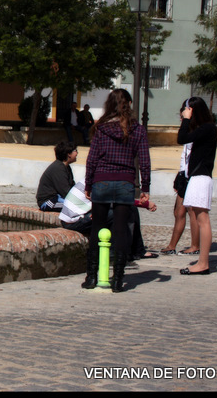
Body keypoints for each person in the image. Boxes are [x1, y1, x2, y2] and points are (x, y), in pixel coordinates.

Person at [82, 89, 150, 293]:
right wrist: (145, 187)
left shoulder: (101, 128)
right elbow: (144, 161)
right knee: (121, 230)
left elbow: (92, 159)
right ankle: (118, 279)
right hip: (125, 182)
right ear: (128, 104)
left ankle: (92, 276)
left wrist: (88, 184)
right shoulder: (137, 129)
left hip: (101, 181)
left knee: (97, 228)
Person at [177, 96, 217, 276]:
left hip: (201, 177)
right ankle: (203, 262)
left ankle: (203, 263)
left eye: (188, 110)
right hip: (197, 177)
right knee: (201, 219)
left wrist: (185, 120)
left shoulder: (207, 128)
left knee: (203, 220)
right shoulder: (205, 128)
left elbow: (182, 138)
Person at [160, 103, 198, 256]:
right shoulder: (187, 130)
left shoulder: (197, 131)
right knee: (178, 211)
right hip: (184, 174)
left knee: (192, 212)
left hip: (193, 175)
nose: (182, 117)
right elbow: (184, 156)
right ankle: (172, 245)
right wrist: (180, 174)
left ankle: (195, 246)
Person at [36, 141, 77, 212]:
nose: (77, 153)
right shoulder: (58, 168)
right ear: (69, 154)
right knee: (75, 207)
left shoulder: (66, 167)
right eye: (75, 151)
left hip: (59, 198)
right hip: (49, 201)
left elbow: (72, 187)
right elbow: (65, 192)